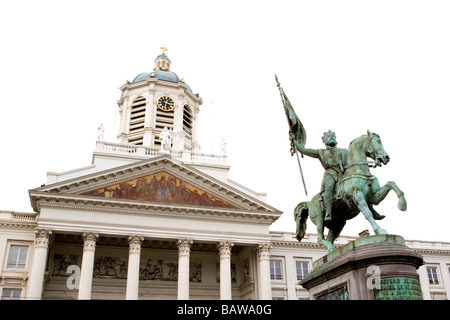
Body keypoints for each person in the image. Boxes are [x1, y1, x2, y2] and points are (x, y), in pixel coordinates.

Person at [292, 130, 348, 222]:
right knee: (329, 186)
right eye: (329, 136)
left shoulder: (343, 151)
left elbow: (350, 163)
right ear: (324, 141)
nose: (332, 137)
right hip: (331, 174)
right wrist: (295, 142)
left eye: (333, 136)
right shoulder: (321, 153)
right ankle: (328, 212)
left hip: (343, 174)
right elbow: (304, 150)